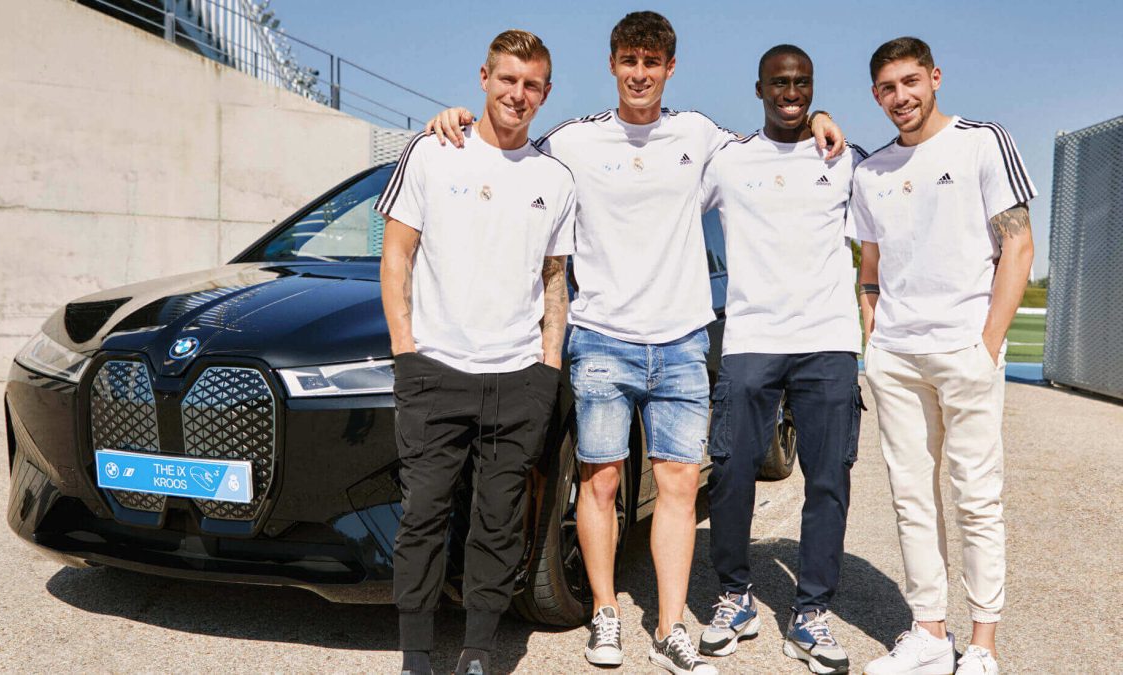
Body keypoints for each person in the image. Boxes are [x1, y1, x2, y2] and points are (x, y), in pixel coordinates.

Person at [427, 12, 845, 674]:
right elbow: (507, 144)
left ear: (670, 68)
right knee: (600, 481)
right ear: (613, 65)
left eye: (652, 63)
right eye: (629, 61)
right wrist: (456, 118)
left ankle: (672, 626)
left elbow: (773, 138)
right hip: (602, 340)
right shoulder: (574, 140)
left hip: (681, 339)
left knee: (678, 484)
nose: (640, 74)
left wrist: (816, 116)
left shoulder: (700, 134)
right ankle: (605, 612)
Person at [377, 29, 575, 675]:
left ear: (545, 93)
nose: (518, 94)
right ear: (484, 78)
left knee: (498, 521)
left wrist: (548, 367)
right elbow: (397, 256)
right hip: (435, 370)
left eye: (531, 85)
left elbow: (554, 279)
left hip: (519, 378)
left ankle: (479, 652)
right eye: (508, 79)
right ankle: (415, 656)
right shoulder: (434, 152)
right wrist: (406, 352)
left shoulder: (554, 178)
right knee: (423, 517)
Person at [850, 37, 1035, 675]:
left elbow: (1018, 246)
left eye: (910, 81)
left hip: (964, 350)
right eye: (887, 88)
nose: (900, 97)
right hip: (897, 357)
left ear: (934, 77)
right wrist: (874, 335)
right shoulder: (871, 171)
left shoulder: (982, 142)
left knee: (976, 498)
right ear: (876, 95)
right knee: (911, 498)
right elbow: (870, 262)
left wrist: (987, 345)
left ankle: (982, 645)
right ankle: (929, 632)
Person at [698, 44, 865, 674]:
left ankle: (811, 612)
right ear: (759, 88)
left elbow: (884, 234)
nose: (791, 93)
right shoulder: (729, 161)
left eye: (802, 83)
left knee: (828, 478)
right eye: (779, 83)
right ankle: (735, 596)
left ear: (813, 87)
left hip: (828, 340)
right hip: (751, 338)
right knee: (731, 470)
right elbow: (661, 203)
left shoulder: (843, 158)